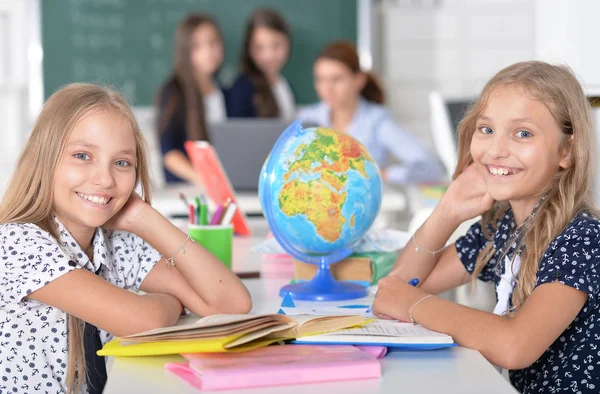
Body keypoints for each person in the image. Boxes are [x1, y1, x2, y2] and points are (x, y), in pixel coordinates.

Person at [0, 83, 252, 394]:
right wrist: (171, 301)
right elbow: (140, 320)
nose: (105, 179)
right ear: (44, 159)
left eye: (122, 163)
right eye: (82, 155)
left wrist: (146, 219)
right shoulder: (17, 243)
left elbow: (231, 303)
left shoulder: (115, 243)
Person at [372, 61, 599, 394]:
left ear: (565, 150)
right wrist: (448, 210)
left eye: (523, 133)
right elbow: (401, 286)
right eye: (486, 129)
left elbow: (515, 345)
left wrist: (411, 304)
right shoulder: (501, 228)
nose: (496, 150)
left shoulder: (583, 238)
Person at [297, 41, 444, 184]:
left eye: (337, 79)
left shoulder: (376, 121)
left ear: (359, 80)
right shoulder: (306, 119)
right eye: (321, 79)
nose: (327, 88)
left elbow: (430, 167)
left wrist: (380, 174)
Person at [157, 13, 227, 184]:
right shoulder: (173, 92)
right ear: (185, 51)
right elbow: (169, 154)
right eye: (197, 46)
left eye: (213, 42)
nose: (208, 51)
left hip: (223, 187)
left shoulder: (225, 93)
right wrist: (205, 181)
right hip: (188, 191)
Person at [226, 8, 296, 119]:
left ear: (288, 43)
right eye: (259, 48)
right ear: (249, 49)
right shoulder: (241, 89)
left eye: (276, 45)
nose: (269, 55)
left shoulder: (284, 85)